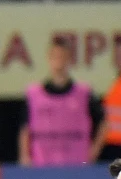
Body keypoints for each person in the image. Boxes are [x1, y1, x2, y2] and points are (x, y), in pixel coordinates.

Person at [18, 39, 100, 167]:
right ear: (49, 59)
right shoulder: (34, 94)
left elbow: (103, 122)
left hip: (76, 163)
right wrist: (24, 155)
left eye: (62, 57)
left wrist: (94, 152)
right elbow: (25, 127)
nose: (59, 61)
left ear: (69, 60)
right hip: (42, 163)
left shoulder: (83, 93)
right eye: (55, 57)